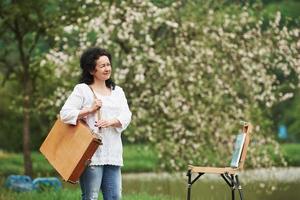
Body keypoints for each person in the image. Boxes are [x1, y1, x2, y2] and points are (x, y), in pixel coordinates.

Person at [60, 47, 132, 200]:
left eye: (108, 64)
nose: (107, 68)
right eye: (102, 66)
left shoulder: (117, 91)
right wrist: (89, 110)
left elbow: (126, 115)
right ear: (91, 70)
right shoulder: (82, 90)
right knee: (91, 196)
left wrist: (111, 121)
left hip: (113, 153)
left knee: (114, 197)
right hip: (91, 154)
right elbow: (65, 114)